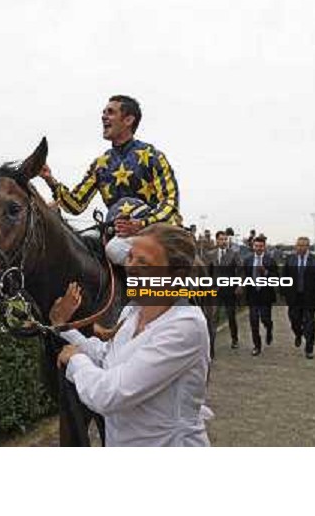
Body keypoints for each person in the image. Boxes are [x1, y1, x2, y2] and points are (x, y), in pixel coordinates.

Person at [53, 223, 211, 447]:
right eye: (131, 258)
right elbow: (108, 356)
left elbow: (109, 395)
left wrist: (75, 360)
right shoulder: (132, 310)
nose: (131, 268)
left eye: (144, 264)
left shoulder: (185, 326)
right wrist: (63, 327)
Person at [39, 95, 181, 264]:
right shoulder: (100, 164)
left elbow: (170, 204)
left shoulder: (152, 156)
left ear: (128, 120)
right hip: (116, 232)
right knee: (80, 244)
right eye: (104, 112)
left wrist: (141, 223)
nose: (104, 116)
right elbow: (75, 205)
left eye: (111, 112)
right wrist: (50, 179)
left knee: (114, 250)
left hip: (155, 234)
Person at [282, 236, 315, 359]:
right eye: (299, 245)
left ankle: (309, 348)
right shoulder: (290, 259)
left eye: (303, 245)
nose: (301, 248)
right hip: (293, 297)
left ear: (308, 247)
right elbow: (284, 277)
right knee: (294, 321)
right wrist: (283, 293)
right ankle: (298, 334)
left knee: (310, 324)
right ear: (295, 246)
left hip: (310, 298)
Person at [205, 230, 243, 350]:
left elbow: (240, 271)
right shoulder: (211, 254)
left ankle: (234, 339)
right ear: (216, 240)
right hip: (215, 291)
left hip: (229, 291)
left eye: (225, 239)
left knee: (231, 316)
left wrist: (239, 285)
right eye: (221, 239)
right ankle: (210, 343)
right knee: (214, 317)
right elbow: (208, 273)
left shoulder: (234, 254)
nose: (223, 241)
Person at [242, 236, 279, 356]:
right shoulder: (247, 260)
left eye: (261, 246)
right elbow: (244, 276)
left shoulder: (270, 260)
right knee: (253, 321)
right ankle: (257, 346)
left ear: (264, 247)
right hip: (252, 295)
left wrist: (266, 272)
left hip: (265, 295)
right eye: (256, 246)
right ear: (253, 246)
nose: (258, 248)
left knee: (265, 319)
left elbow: (276, 278)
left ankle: (269, 328)